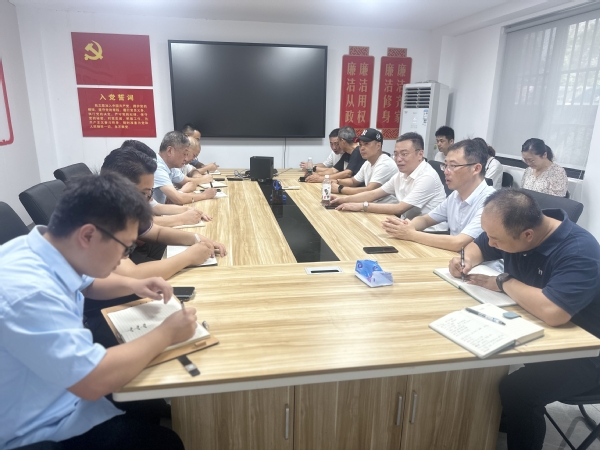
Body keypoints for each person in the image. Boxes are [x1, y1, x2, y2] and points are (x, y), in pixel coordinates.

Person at [0, 173, 191, 449]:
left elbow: (88, 284)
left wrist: (135, 284)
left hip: (58, 389)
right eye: (125, 248)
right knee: (167, 442)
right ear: (88, 235)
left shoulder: (44, 246)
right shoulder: (31, 293)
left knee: (148, 402)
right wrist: (167, 333)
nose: (124, 258)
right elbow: (91, 380)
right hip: (38, 425)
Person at [448, 189, 600, 450]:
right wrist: (465, 260)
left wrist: (503, 281)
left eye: (497, 240)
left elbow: (554, 312)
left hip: (585, 352)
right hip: (537, 330)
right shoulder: (514, 226)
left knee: (518, 390)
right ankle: (496, 420)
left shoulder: (579, 251)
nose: (491, 243)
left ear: (528, 236)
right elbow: (479, 245)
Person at [100, 147, 225, 278]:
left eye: (150, 194)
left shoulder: (125, 208)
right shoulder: (98, 219)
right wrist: (189, 257)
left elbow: (157, 232)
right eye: (144, 194)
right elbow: (132, 274)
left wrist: (198, 239)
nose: (148, 202)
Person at [382, 139, 495, 252]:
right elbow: (426, 220)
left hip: (477, 262)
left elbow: (458, 243)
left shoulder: (491, 202)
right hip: (454, 257)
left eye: (453, 166)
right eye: (445, 165)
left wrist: (410, 234)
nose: (446, 171)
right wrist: (407, 226)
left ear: (476, 169)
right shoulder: (456, 195)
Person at [330, 133, 447, 231]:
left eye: (404, 154)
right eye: (396, 154)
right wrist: (342, 200)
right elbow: (374, 193)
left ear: (420, 154)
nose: (398, 159)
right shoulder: (401, 174)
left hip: (430, 232)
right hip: (405, 226)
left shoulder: (427, 176)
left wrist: (361, 206)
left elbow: (399, 208)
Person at [121, 139, 209, 227]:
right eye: (184, 153)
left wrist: (188, 209)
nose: (186, 158)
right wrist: (182, 219)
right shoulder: (119, 191)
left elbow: (157, 207)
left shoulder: (141, 180)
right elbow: (138, 223)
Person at [328, 128, 398, 197]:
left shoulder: (384, 164)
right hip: (372, 202)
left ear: (378, 146)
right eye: (361, 144)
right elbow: (353, 181)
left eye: (366, 144)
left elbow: (369, 190)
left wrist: (340, 189)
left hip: (386, 203)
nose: (362, 148)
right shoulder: (368, 163)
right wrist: (337, 181)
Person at [153, 131, 217, 205]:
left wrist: (180, 193)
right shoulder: (157, 167)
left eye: (187, 154)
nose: (186, 158)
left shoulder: (170, 166)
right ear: (170, 151)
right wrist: (204, 195)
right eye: (184, 154)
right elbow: (178, 199)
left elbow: (188, 182)